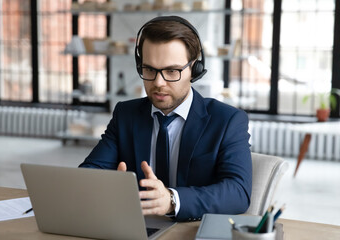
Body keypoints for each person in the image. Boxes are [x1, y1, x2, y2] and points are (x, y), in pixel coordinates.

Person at [79, 16, 252, 222]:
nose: (159, 83)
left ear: (194, 69)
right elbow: (88, 174)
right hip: (137, 228)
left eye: (172, 71)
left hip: (191, 230)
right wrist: (106, 184)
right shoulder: (125, 114)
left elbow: (238, 191)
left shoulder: (228, 120)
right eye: (149, 69)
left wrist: (172, 199)